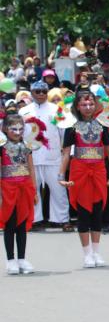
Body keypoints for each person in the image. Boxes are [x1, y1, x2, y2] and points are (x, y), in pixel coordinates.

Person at [58, 88, 109, 267]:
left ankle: (97, 252)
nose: (88, 107)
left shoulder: (102, 126)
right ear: (77, 106)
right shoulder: (71, 128)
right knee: (84, 213)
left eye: (91, 103)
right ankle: (87, 254)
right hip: (80, 170)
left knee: (98, 211)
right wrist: (61, 176)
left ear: (96, 105)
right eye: (84, 104)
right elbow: (66, 154)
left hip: (99, 170)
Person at [20, 80, 71, 231]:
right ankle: (34, 219)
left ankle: (62, 219)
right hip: (31, 157)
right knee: (32, 189)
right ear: (32, 93)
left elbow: (63, 132)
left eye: (44, 91)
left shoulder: (57, 109)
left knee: (58, 189)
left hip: (53, 155)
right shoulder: (24, 111)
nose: (41, 94)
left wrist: (64, 152)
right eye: (37, 91)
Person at [1, 114, 37, 274]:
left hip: (25, 187)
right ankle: (10, 260)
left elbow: (31, 168)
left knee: (22, 224)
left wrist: (34, 190)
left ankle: (22, 258)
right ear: (5, 129)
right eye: (13, 129)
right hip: (7, 188)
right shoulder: (1, 146)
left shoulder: (27, 145)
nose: (17, 132)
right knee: (10, 223)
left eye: (20, 129)